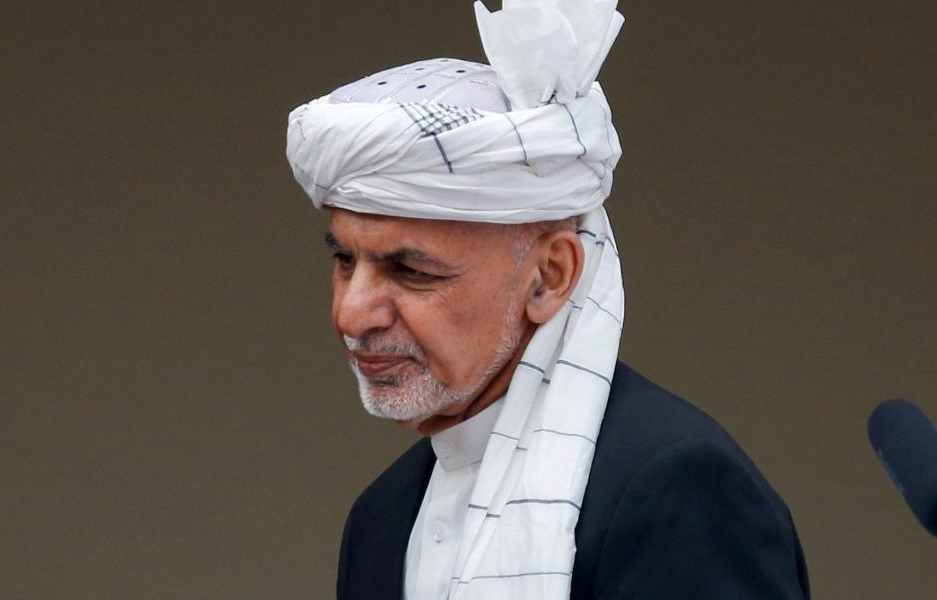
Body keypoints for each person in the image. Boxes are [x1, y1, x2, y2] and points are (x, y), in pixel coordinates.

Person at [285, 2, 810, 599]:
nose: (353, 314)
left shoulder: (677, 491)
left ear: (549, 277)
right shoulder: (381, 520)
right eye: (344, 261)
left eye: (410, 271)